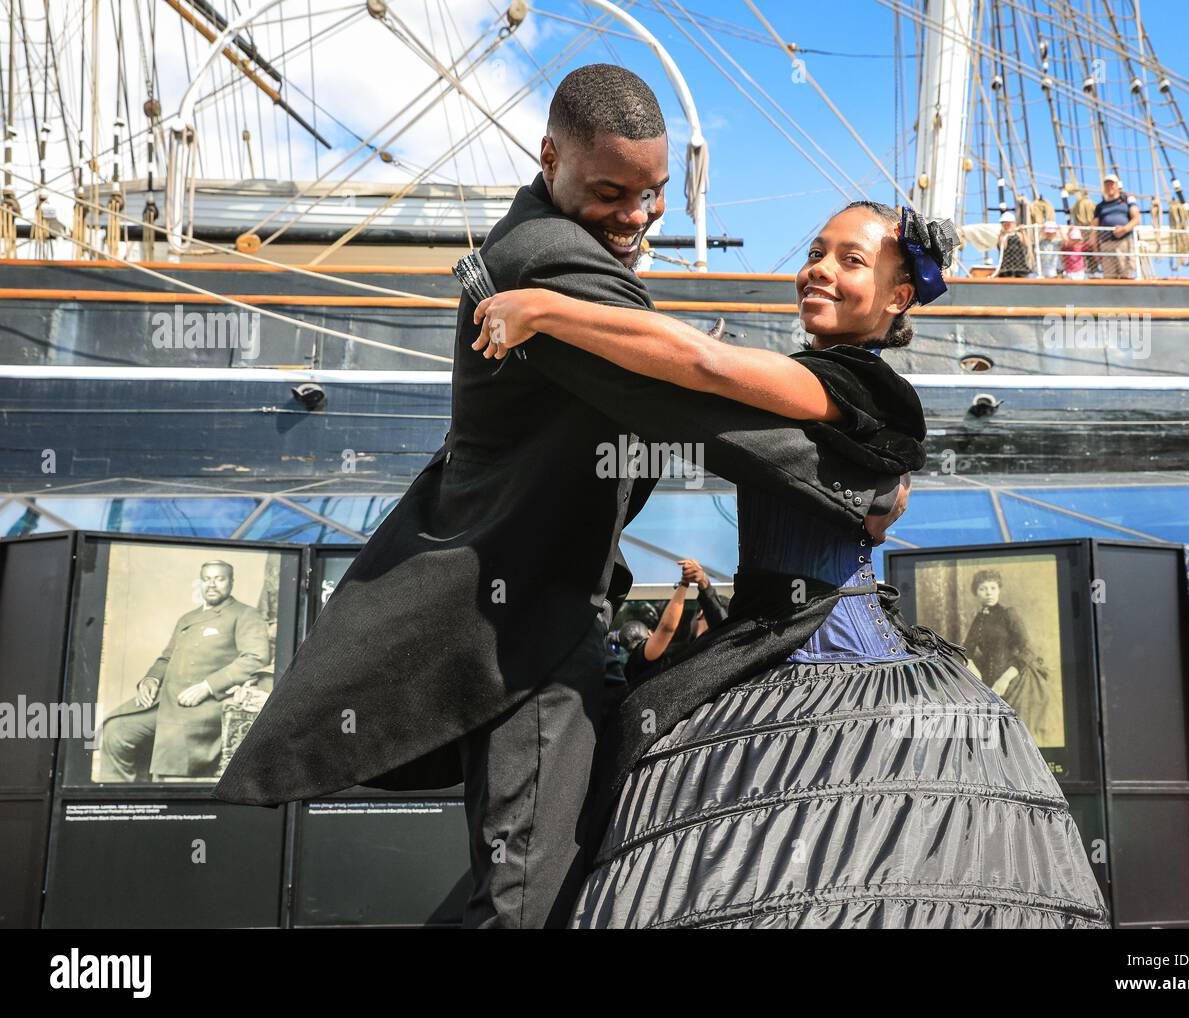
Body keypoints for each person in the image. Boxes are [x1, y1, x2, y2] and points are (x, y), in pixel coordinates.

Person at [212, 64, 898, 930]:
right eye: (611, 191)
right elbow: (685, 392)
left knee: (555, 871)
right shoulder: (548, 259)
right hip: (521, 630)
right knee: (528, 899)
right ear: (549, 157)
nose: (638, 216)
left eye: (652, 195)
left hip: (546, 608)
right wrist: (861, 478)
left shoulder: (546, 247)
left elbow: (665, 385)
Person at [472, 200, 1110, 928]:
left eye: (852, 260)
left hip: (826, 652)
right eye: (817, 250)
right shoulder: (822, 381)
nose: (821, 270)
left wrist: (546, 310)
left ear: (899, 296)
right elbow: (865, 499)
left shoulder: (863, 384)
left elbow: (703, 362)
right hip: (765, 645)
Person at [100, 561, 271, 782]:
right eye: (207, 579)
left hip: (205, 705)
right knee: (116, 730)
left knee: (172, 748)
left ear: (231, 582)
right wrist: (151, 679)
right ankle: (120, 802)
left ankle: (159, 804)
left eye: (219, 579)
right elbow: (166, 657)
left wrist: (207, 686)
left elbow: (255, 658)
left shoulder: (246, 614)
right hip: (165, 701)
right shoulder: (188, 618)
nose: (212, 585)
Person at [962, 569, 1063, 748]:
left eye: (993, 588)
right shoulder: (979, 618)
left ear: (999, 590)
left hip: (1016, 678)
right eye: (983, 589)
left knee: (1020, 736)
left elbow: (1027, 650)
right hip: (988, 681)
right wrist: (972, 667)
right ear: (976, 593)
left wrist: (1005, 679)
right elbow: (965, 650)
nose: (988, 593)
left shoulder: (1009, 614)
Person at [1091, 173, 1139, 279]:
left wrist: (1124, 229)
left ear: (1117, 186)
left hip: (1124, 244)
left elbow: (1136, 218)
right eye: (1107, 185)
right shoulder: (1100, 207)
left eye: (1112, 184)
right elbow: (1094, 229)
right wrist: (1095, 250)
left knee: (1126, 275)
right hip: (1106, 245)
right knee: (1108, 277)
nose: (1109, 187)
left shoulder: (1126, 202)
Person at [994, 210, 1031, 277]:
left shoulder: (1019, 235)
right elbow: (1003, 247)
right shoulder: (1002, 236)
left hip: (1020, 265)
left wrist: (1023, 231)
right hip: (1006, 267)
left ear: (1014, 223)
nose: (1007, 226)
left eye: (1009, 224)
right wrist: (1004, 233)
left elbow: (1026, 245)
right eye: (1004, 224)